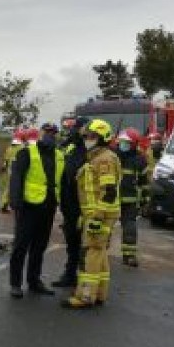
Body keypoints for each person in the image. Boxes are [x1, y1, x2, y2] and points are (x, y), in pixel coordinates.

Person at [62, 119, 122, 309]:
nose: (88, 139)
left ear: (103, 138)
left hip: (100, 214)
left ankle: (85, 296)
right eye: (86, 136)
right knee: (100, 252)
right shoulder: (96, 157)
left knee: (91, 253)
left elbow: (109, 191)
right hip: (97, 213)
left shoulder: (103, 159)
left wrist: (96, 217)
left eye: (92, 136)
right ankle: (99, 293)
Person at [8, 122, 64, 298]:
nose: (50, 135)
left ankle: (34, 281)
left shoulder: (59, 155)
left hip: (48, 207)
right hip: (28, 207)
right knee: (21, 246)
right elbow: (16, 178)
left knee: (39, 247)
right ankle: (15, 284)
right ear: (40, 134)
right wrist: (15, 202)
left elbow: (63, 181)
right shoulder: (26, 153)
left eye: (53, 133)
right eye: (47, 132)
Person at [52, 116, 89, 287]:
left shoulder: (89, 150)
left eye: (77, 128)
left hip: (83, 205)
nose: (73, 131)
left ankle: (85, 278)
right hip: (69, 204)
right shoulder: (70, 147)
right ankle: (70, 275)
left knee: (86, 244)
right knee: (72, 242)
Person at [116, 128, 149, 267]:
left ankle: (129, 255)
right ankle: (99, 253)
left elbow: (144, 183)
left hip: (130, 200)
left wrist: (145, 201)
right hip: (109, 199)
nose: (124, 145)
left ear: (134, 144)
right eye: (122, 142)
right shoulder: (112, 156)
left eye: (127, 142)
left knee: (130, 227)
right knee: (103, 228)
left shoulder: (140, 160)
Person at [0, 128, 24, 213]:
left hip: (9, 170)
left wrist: (3, 168)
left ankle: (5, 205)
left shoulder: (9, 148)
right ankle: (6, 205)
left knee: (8, 188)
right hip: (17, 171)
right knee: (15, 188)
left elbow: (5, 160)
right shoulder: (22, 147)